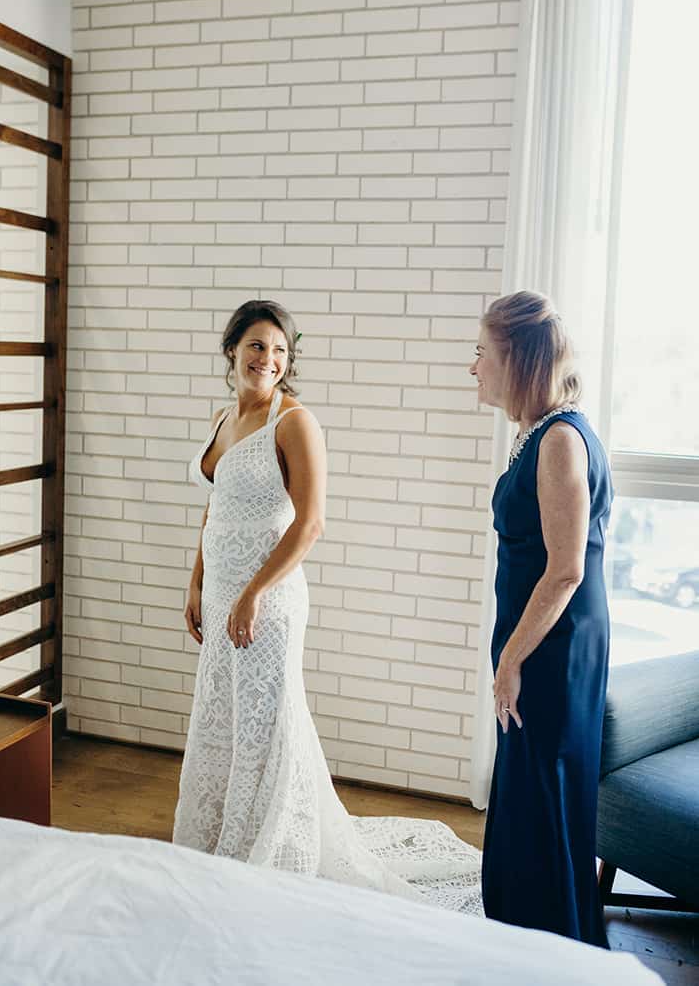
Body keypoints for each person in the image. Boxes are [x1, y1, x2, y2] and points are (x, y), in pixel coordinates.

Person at [172, 299, 482, 914]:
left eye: (280, 350)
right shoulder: (221, 418)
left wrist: (253, 592)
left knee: (264, 727)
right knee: (223, 721)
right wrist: (196, 583)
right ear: (232, 349)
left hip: (270, 601)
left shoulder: (294, 423)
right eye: (258, 346)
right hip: (223, 592)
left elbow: (310, 523)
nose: (269, 359)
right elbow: (217, 508)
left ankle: (262, 852)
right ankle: (211, 844)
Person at [470, 291, 612, 947]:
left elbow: (564, 569)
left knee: (543, 790)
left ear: (515, 361)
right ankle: (522, 934)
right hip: (543, 640)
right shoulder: (543, 431)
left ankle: (548, 946)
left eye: (481, 354)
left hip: (553, 648)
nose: (474, 368)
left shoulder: (558, 441)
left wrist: (510, 659)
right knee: (529, 786)